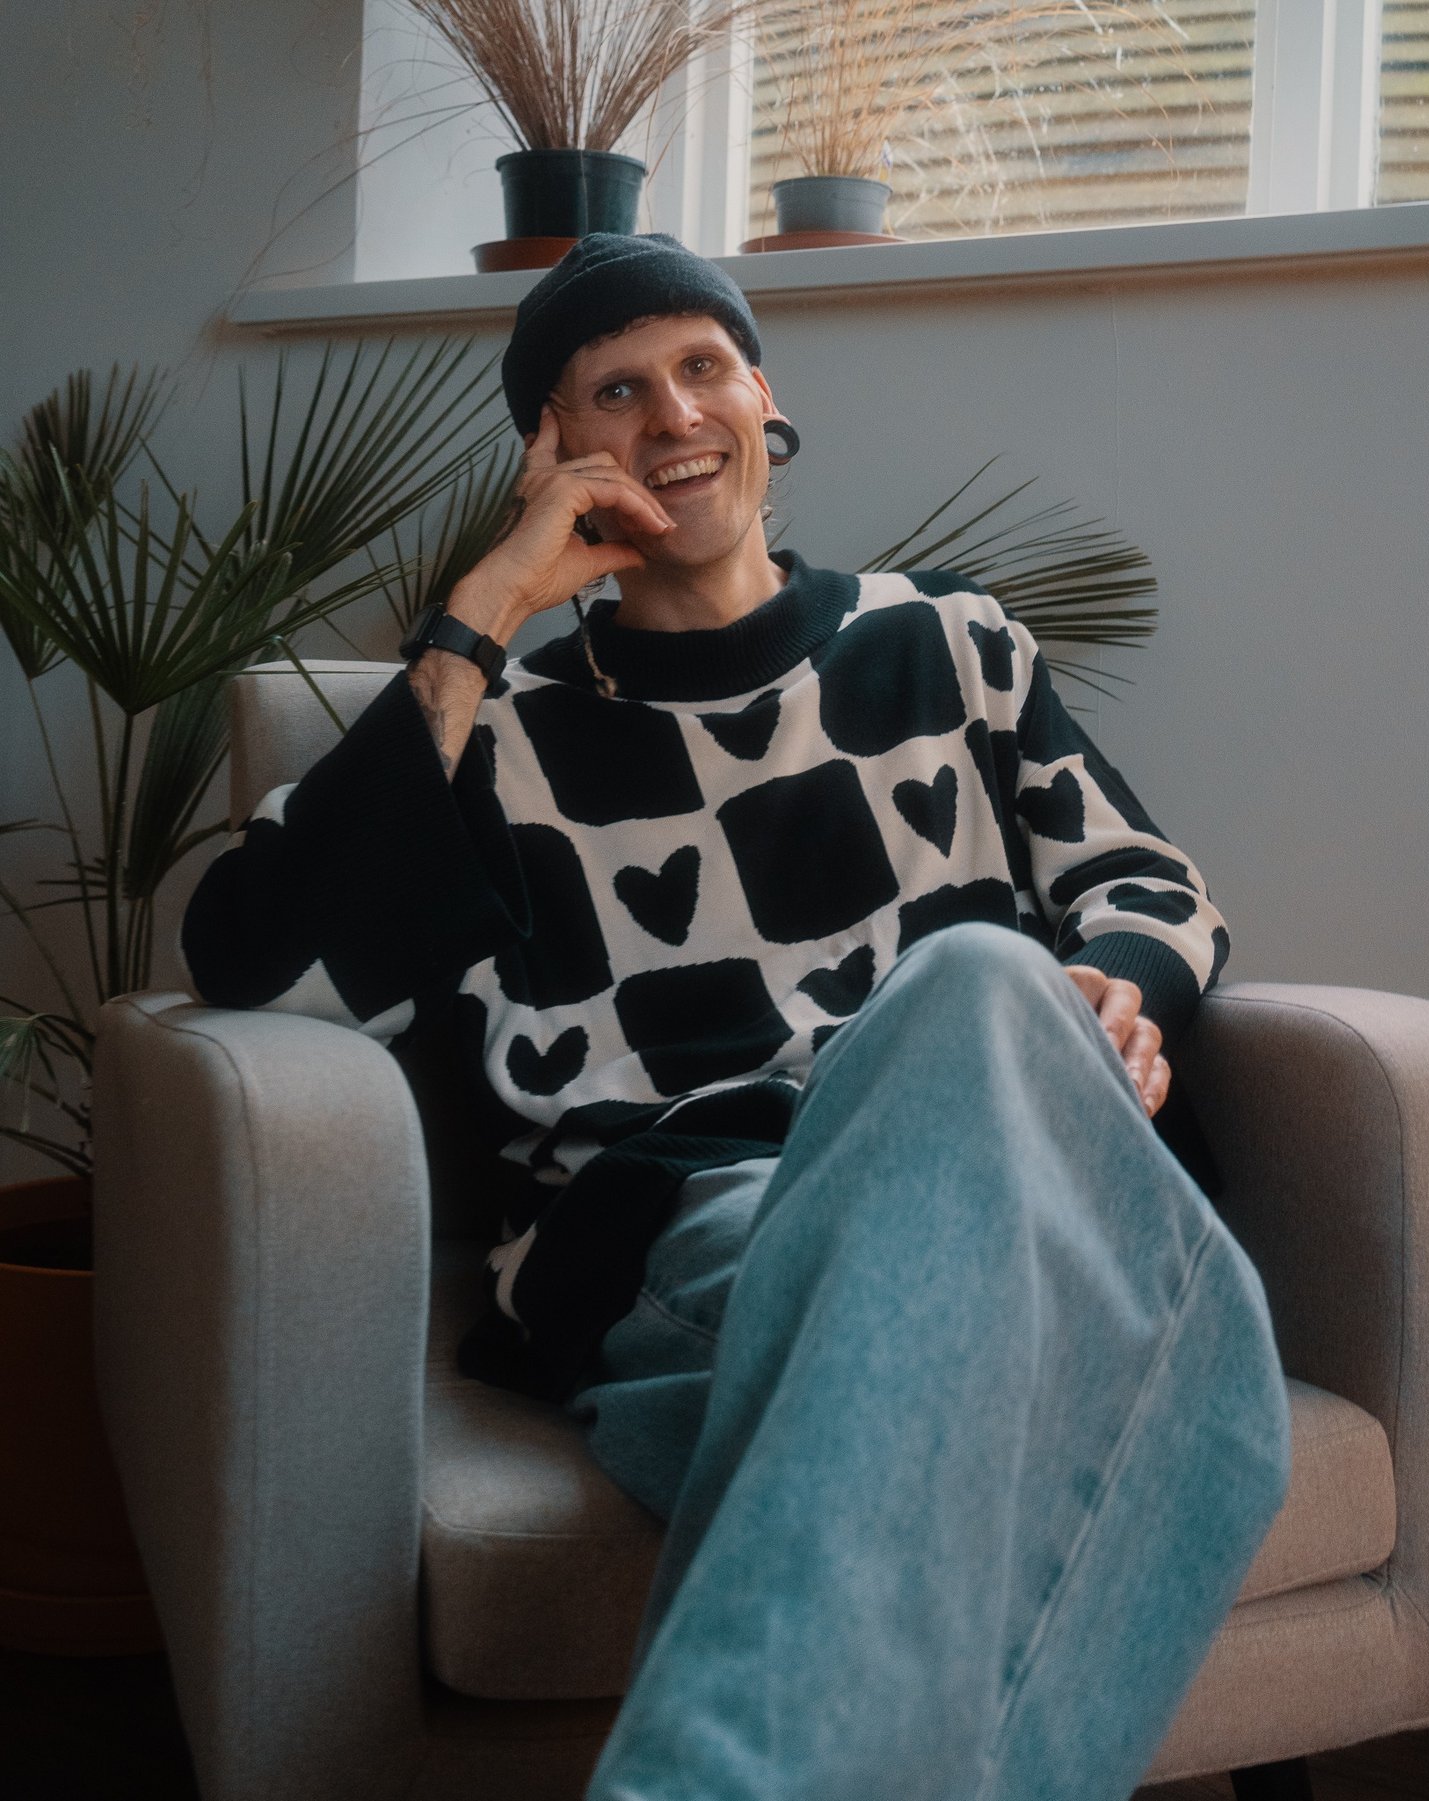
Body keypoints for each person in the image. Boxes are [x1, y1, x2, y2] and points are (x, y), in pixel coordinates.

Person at [181, 233, 1290, 1801]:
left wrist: (1123, 981)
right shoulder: (498, 739)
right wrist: (489, 607)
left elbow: (1144, 881)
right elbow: (250, 958)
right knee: (1084, 1295)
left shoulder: (948, 644)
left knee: (980, 980)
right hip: (697, 1211)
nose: (671, 412)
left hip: (990, 1164)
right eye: (613, 392)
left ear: (765, 399)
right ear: (553, 452)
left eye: (703, 365)